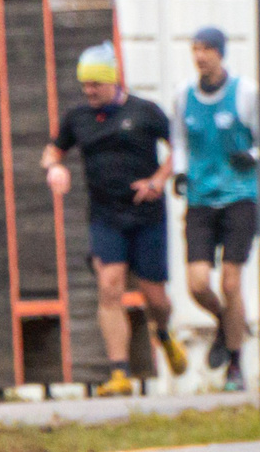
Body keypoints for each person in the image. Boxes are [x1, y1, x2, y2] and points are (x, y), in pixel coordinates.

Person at [42, 44, 183, 396]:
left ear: (113, 81)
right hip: (105, 216)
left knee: (156, 299)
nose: (89, 91)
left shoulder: (145, 111)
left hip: (147, 215)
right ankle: (119, 372)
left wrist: (158, 180)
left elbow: (181, 147)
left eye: (96, 85)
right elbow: (53, 149)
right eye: (85, 85)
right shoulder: (78, 118)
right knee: (110, 286)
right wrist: (54, 168)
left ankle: (163, 333)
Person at [173, 25, 256, 393]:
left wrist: (252, 155)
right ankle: (227, 323)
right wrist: (178, 172)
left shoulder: (244, 92)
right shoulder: (183, 95)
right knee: (197, 283)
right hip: (201, 199)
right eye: (195, 49)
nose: (200, 56)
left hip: (239, 196)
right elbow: (178, 138)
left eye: (207, 49)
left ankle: (236, 366)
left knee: (231, 281)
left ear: (221, 53)